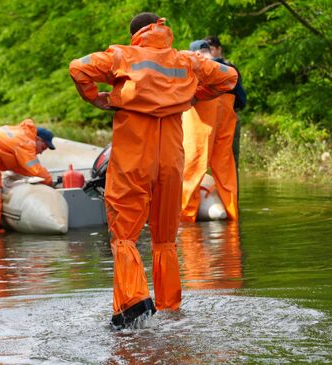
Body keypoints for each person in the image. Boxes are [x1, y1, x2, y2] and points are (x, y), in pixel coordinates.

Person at [69, 12, 238, 329]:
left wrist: (99, 99)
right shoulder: (186, 60)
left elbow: (78, 68)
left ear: (135, 34)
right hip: (172, 161)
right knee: (165, 240)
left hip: (134, 158)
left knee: (125, 237)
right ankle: (170, 309)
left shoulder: (122, 55)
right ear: (162, 30)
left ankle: (133, 305)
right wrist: (190, 97)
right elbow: (229, 78)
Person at [180, 40, 239, 222]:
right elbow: (241, 98)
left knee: (194, 164)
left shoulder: (191, 65)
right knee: (225, 168)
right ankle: (231, 215)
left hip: (201, 117)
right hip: (226, 118)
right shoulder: (228, 67)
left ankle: (186, 218)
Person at [204, 36, 247, 174]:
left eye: (211, 49)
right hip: (207, 121)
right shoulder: (203, 67)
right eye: (206, 50)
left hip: (229, 119)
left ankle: (231, 195)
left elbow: (241, 99)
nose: (208, 53)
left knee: (230, 161)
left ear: (219, 49)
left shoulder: (228, 68)